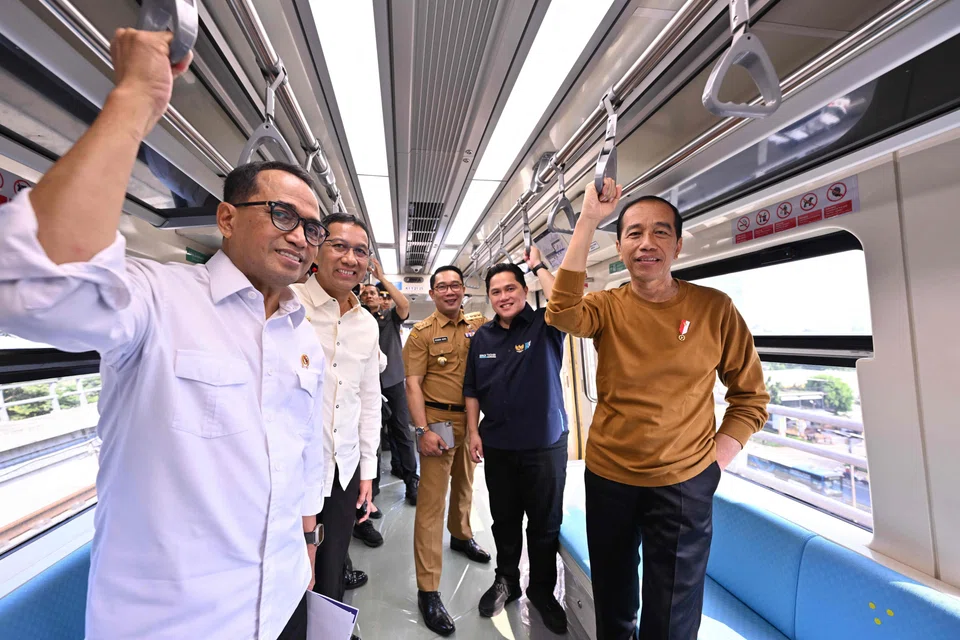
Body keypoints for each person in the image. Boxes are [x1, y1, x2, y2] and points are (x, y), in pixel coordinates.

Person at [0, 30, 327, 640]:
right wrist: (136, 98)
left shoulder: (301, 334)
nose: (301, 238)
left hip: (280, 598)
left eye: (313, 228)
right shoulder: (154, 298)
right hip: (174, 623)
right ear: (226, 219)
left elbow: (303, 454)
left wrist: (307, 541)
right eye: (283, 215)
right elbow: (30, 284)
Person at [545, 179, 770, 640]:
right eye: (634, 233)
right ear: (622, 246)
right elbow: (561, 313)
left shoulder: (714, 308)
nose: (647, 243)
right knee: (614, 600)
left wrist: (713, 464)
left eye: (660, 232)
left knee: (672, 614)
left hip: (684, 484)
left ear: (678, 245)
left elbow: (750, 398)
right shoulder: (606, 306)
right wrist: (588, 218)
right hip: (610, 477)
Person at [463, 250, 569, 633]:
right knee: (505, 521)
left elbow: (565, 300)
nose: (503, 296)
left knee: (543, 524)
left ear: (525, 290)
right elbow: (472, 389)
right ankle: (506, 580)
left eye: (510, 288)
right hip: (499, 447)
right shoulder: (482, 338)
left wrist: (540, 265)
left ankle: (541, 590)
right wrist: (474, 432)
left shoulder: (546, 324)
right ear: (489, 297)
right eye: (496, 291)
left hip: (545, 445)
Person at [292, 213, 382, 638]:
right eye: (339, 246)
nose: (350, 258)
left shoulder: (367, 324)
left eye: (360, 250)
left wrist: (368, 470)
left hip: (344, 470)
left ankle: (330, 630)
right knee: (291, 575)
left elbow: (367, 401)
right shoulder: (287, 302)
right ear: (316, 250)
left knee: (332, 569)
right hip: (292, 473)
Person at [402, 265, 490, 636]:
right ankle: (429, 589)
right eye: (442, 287)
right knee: (431, 506)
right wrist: (422, 430)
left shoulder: (480, 324)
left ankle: (461, 534)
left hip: (470, 419)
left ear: (464, 290)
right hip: (437, 421)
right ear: (433, 293)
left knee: (466, 485)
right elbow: (412, 385)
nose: (450, 292)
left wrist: (474, 429)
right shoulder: (422, 334)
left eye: (456, 285)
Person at [360, 265, 419, 506]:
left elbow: (404, 305)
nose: (368, 296)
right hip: (366, 385)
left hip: (393, 381)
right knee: (369, 437)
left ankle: (411, 481)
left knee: (402, 433)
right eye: (364, 294)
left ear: (381, 298)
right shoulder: (357, 319)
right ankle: (369, 491)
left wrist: (381, 278)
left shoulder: (390, 317)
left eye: (372, 293)